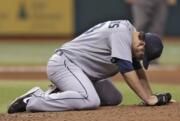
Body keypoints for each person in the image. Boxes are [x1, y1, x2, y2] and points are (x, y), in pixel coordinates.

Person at [8, 20, 172, 114]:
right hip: (65, 64)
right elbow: (127, 71)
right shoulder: (122, 34)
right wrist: (147, 99)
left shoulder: (130, 34)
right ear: (142, 44)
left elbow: (138, 71)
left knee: (113, 98)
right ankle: (34, 99)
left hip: (81, 72)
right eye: (144, 56)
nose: (141, 59)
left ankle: (58, 92)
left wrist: (151, 95)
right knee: (90, 100)